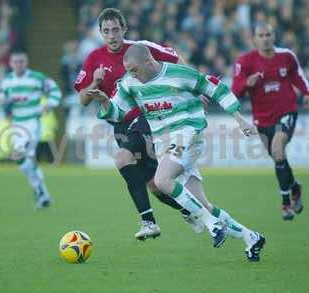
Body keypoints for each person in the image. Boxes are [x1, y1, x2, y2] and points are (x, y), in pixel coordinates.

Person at [88, 43, 266, 261]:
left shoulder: (179, 74)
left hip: (188, 131)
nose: (131, 74)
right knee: (204, 205)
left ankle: (212, 225)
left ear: (148, 61)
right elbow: (117, 113)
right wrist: (105, 101)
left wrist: (240, 119)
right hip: (164, 143)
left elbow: (215, 87)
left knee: (162, 180)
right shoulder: (130, 82)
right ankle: (252, 237)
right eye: (128, 71)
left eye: (134, 69)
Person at [74, 8, 197, 241]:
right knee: (155, 186)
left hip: (146, 116)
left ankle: (148, 222)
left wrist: (193, 86)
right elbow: (82, 99)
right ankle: (196, 211)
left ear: (124, 29)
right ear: (100, 32)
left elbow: (176, 59)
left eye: (116, 30)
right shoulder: (94, 58)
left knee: (122, 158)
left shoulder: (141, 49)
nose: (112, 35)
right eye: (106, 31)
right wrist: (95, 82)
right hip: (119, 124)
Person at [232, 22, 309, 220]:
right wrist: (246, 83)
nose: (265, 38)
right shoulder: (245, 61)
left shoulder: (286, 56)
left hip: (287, 111)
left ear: (274, 37)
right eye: (261, 35)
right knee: (278, 157)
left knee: (277, 148)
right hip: (262, 118)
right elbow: (234, 91)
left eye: (268, 34)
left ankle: (285, 205)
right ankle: (294, 187)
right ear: (254, 39)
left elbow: (298, 76)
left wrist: (307, 92)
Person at [0, 50, 62, 208]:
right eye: (16, 62)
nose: (19, 64)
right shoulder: (7, 81)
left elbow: (55, 91)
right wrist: (4, 104)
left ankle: (40, 192)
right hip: (16, 124)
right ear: (11, 63)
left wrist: (49, 104)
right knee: (25, 162)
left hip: (32, 123)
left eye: (22, 61)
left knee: (19, 152)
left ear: (26, 62)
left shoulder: (37, 78)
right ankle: (42, 193)